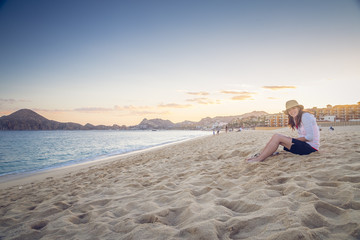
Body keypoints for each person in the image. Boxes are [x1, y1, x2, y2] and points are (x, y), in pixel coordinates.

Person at [246, 100, 320, 163]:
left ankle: (259, 158)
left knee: (277, 137)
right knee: (277, 139)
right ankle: (261, 155)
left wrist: (294, 139)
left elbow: (310, 137)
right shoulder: (296, 118)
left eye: (293, 108)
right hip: (305, 146)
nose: (292, 111)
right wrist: (291, 139)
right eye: (289, 110)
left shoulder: (305, 116)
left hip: (311, 148)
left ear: (298, 108)